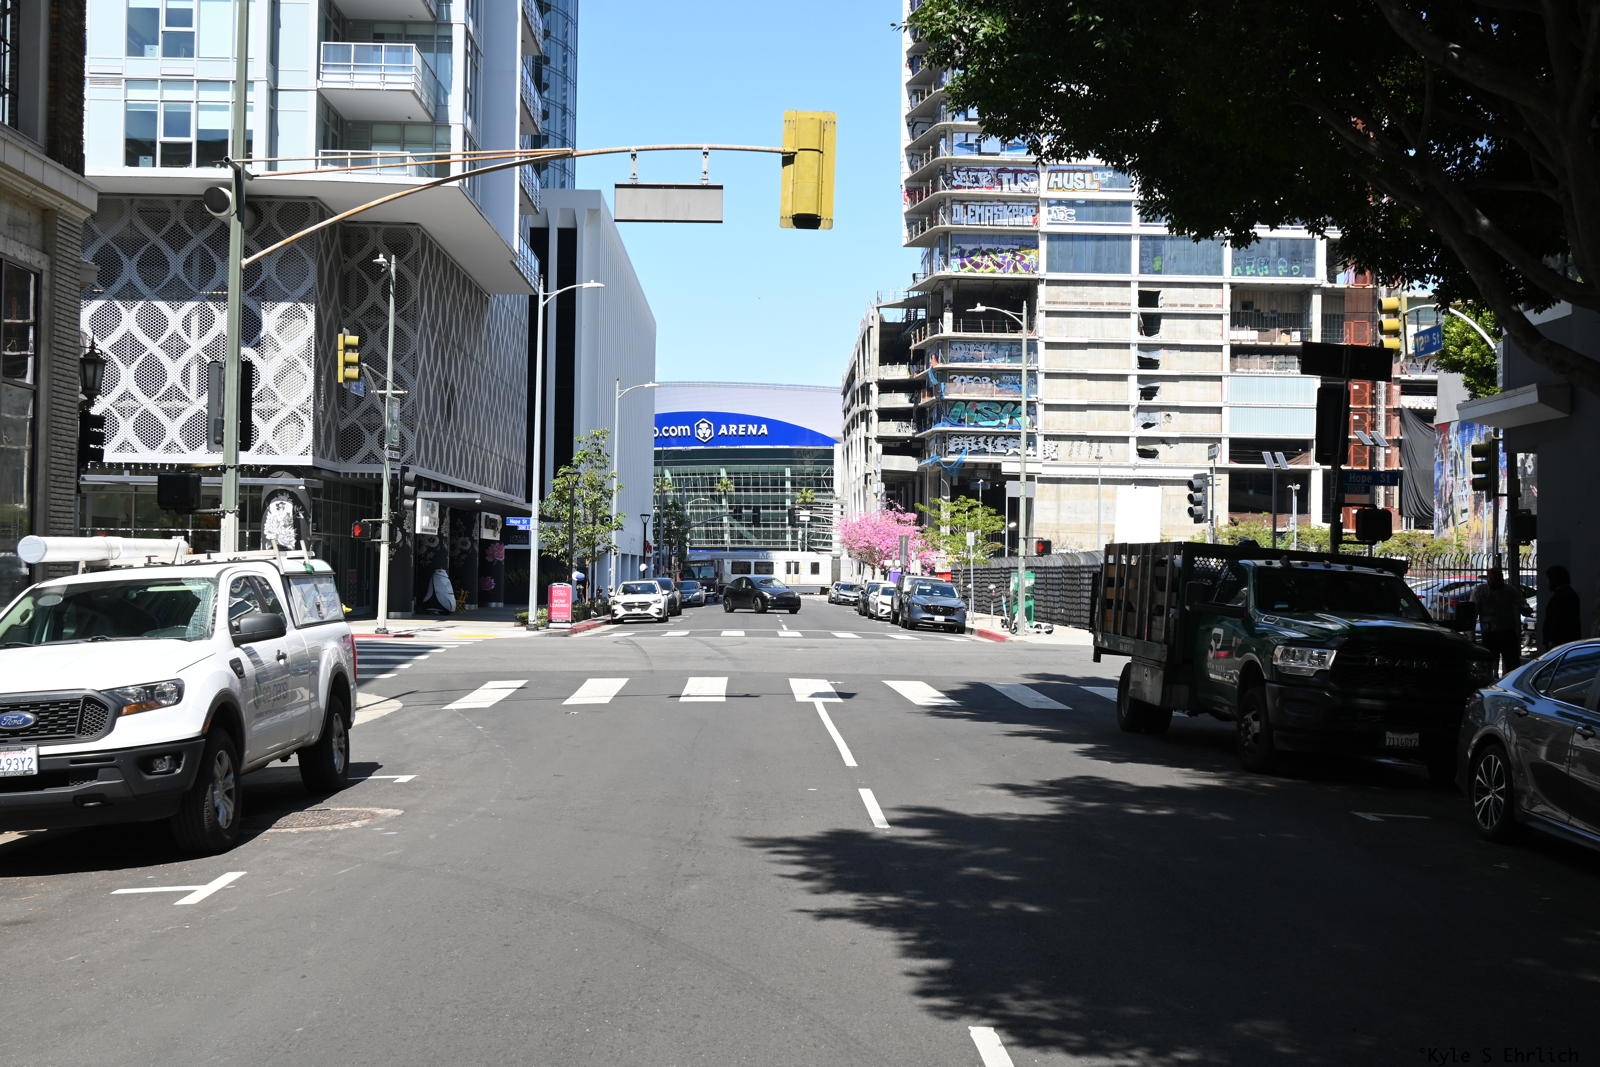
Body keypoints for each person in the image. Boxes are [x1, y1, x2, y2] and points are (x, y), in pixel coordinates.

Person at [1470, 566, 1531, 675]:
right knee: (1493, 664)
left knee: (1508, 664)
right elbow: (1473, 614)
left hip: (1503, 632)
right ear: (1489, 579)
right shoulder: (1481, 591)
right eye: (1496, 579)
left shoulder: (1508, 590)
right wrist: (1472, 635)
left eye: (1499, 579)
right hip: (1494, 633)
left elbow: (1522, 604)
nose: (1499, 581)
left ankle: (1500, 680)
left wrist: (1525, 609)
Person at [1541, 564, 1580, 650]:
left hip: (1559, 643)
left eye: (1548, 579)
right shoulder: (1569, 593)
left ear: (1554, 579)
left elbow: (1556, 620)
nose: (1547, 583)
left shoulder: (1561, 596)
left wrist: (1552, 640)